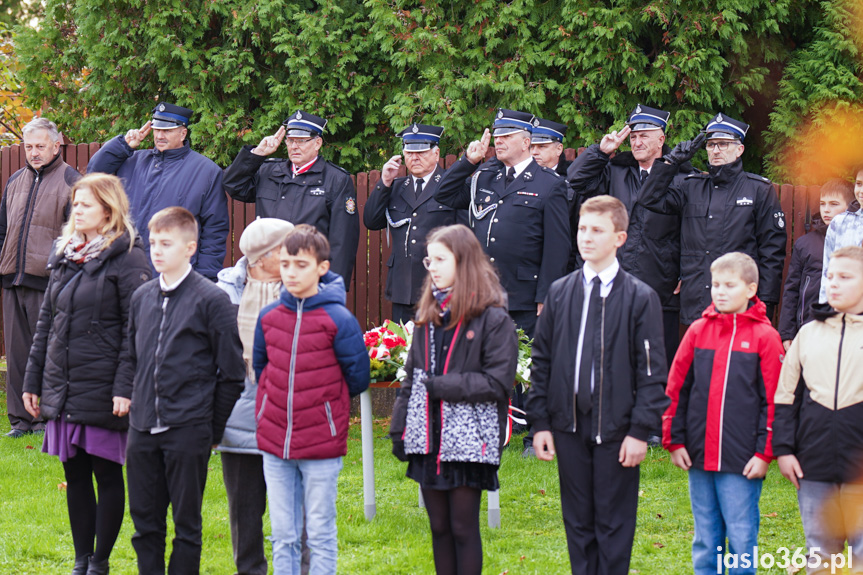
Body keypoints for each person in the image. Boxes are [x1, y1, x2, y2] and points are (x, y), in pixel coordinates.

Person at [526, 196, 669, 575]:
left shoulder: (641, 298)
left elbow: (653, 373)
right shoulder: (560, 292)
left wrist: (641, 431)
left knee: (613, 523)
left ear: (619, 237)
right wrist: (539, 422)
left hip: (618, 429)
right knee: (578, 521)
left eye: (597, 230)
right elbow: (541, 362)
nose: (586, 238)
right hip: (568, 426)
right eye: (582, 229)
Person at [21, 173, 151, 575]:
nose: (76, 211)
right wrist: (32, 379)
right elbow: (47, 323)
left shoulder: (128, 256)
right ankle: (81, 561)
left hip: (106, 386)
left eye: (85, 205)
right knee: (74, 474)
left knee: (106, 474)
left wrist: (125, 387)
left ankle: (100, 562)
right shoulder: (65, 253)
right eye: (74, 204)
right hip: (64, 382)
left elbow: (137, 329)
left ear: (109, 210)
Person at [390, 224, 518, 575]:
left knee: (463, 528)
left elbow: (497, 382)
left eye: (440, 259)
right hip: (427, 438)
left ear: (464, 262)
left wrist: (442, 386)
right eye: (429, 259)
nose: (431, 266)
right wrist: (399, 430)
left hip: (467, 441)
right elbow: (413, 380)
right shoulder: (427, 317)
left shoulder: (493, 317)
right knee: (439, 528)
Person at [125, 207, 244, 575]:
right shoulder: (141, 297)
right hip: (142, 429)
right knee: (145, 525)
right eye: (153, 242)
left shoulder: (211, 300)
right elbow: (131, 357)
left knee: (186, 525)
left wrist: (211, 429)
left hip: (188, 429)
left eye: (167, 243)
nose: (157, 251)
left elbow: (232, 372)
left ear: (190, 247)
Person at [253, 224, 369, 575]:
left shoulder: (339, 320)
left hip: (321, 444)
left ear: (321, 267)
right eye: (285, 264)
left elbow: (357, 377)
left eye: (300, 265)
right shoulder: (268, 317)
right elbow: (262, 369)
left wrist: (324, 409)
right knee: (282, 534)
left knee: (319, 532)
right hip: (275, 444)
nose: (290, 272)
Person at [662, 252, 783, 575]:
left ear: (751, 288)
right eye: (716, 284)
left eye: (730, 285)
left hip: (743, 461)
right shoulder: (698, 331)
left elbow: (774, 401)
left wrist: (764, 453)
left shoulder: (765, 338)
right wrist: (674, 441)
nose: (720, 291)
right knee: (706, 537)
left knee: (742, 536)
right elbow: (677, 388)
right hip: (699, 456)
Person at [569, 105, 695, 364]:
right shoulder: (616, 171)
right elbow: (576, 180)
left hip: (661, 281)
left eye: (644, 136)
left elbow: (691, 230)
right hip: (614, 279)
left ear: (661, 138)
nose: (637, 142)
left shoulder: (683, 178)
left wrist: (685, 271)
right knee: (610, 358)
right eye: (634, 137)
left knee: (654, 360)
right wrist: (601, 151)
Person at [638, 113, 787, 325]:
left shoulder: (758, 190)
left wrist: (766, 305)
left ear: (740, 149)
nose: (716, 150)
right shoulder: (692, 186)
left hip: (741, 304)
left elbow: (771, 252)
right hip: (697, 300)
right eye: (711, 145)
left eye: (724, 144)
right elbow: (648, 198)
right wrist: (671, 162)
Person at [435, 108, 571, 339]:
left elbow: (557, 247)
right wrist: (469, 162)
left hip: (523, 298)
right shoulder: (486, 177)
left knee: (521, 367)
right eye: (497, 136)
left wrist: (545, 295)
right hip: (481, 294)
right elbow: (443, 194)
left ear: (526, 142)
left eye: (507, 135)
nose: (499, 140)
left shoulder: (549, 184)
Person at [775, 246, 863, 574]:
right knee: (822, 555)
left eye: (845, 277)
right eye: (830, 277)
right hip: (814, 466)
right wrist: (784, 450)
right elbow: (786, 397)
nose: (833, 284)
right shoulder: (807, 334)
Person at [215, 218, 294, 575]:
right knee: (244, 514)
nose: (296, 257)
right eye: (287, 250)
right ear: (263, 257)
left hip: (290, 422)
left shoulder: (305, 289)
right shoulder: (223, 295)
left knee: (294, 517)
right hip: (238, 419)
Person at [86, 102, 229, 280]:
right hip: (124, 272)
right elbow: (93, 175)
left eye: (167, 131)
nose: (160, 135)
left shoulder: (206, 171)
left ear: (183, 133)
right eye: (157, 129)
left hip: (173, 277)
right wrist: (124, 146)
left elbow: (214, 230)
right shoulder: (132, 161)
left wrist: (203, 279)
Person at [1, 117, 80, 438]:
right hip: (12, 281)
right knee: (17, 354)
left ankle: (48, 418)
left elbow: (78, 236)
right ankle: (21, 420)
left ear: (56, 144)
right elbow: (2, 231)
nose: (33, 153)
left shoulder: (72, 180)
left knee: (49, 352)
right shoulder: (15, 180)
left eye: (39, 146)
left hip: (50, 283)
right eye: (28, 146)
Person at [223, 111, 359, 286]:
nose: (294, 146)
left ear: (317, 143)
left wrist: (332, 286)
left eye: (301, 141)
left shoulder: (335, 179)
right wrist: (257, 154)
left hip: (307, 278)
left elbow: (343, 240)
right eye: (291, 140)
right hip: (266, 275)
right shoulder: (269, 171)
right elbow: (234, 185)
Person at [364, 123, 466, 324]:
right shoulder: (396, 187)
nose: (414, 158)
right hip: (404, 286)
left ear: (436, 154)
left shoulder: (451, 186)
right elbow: (371, 221)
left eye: (421, 152)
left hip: (440, 285)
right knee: (404, 349)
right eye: (409, 152)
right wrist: (384, 183)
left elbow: (465, 237)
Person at [779, 179, 854, 348]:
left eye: (834, 204)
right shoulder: (805, 244)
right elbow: (791, 290)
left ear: (850, 207)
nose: (826, 209)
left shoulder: (856, 240)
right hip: (809, 328)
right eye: (822, 203)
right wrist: (787, 332)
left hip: (849, 331)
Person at [529, 117, 579, 273]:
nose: (535, 152)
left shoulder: (574, 180)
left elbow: (577, 233)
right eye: (532, 147)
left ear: (559, 149)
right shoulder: (521, 179)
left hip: (564, 267)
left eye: (542, 146)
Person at [820, 166, 863, 302]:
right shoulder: (839, 223)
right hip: (843, 305)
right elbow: (827, 270)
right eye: (859, 184)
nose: (861, 191)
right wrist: (825, 309)